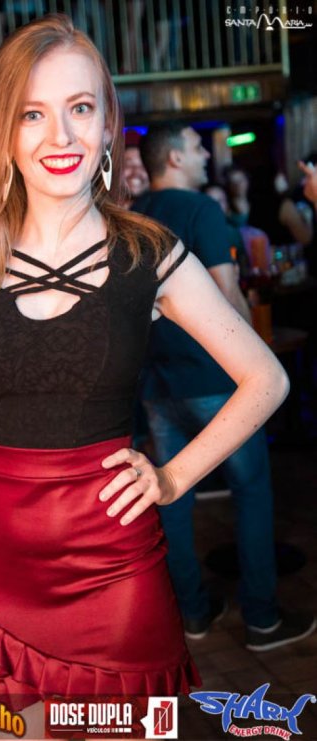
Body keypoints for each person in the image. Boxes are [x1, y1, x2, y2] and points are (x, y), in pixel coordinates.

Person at [0, 16, 290, 738]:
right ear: (3, 129)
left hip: (114, 568)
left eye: (80, 107)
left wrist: (173, 477)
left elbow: (265, 377)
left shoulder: (147, 253)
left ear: (106, 126)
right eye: (33, 113)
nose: (60, 135)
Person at [133, 121, 316, 652]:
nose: (206, 157)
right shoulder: (201, 209)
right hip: (218, 380)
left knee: (173, 494)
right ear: (174, 158)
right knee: (251, 491)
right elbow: (226, 291)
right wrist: (256, 360)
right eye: (196, 147)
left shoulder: (133, 215)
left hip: (157, 380)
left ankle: (192, 611)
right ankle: (261, 619)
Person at [122, 129, 149, 209]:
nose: (136, 171)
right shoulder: (99, 210)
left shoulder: (160, 211)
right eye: (128, 165)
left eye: (143, 165)